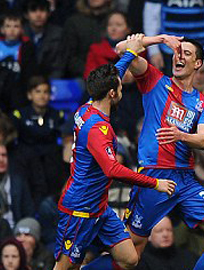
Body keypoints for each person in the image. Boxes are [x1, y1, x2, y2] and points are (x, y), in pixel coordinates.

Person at [114, 34, 204, 270]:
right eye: (177, 52)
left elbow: (203, 140)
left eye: (186, 54)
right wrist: (159, 39)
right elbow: (122, 48)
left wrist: (180, 135)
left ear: (198, 64)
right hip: (154, 177)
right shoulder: (155, 80)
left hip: (185, 180)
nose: (179, 56)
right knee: (131, 253)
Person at [53, 44, 177, 270]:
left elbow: (114, 74)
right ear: (113, 93)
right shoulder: (96, 129)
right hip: (80, 209)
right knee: (63, 268)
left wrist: (131, 53)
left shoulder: (88, 106)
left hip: (100, 208)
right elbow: (113, 170)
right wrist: (155, 183)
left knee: (129, 259)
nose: (122, 85)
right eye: (119, 86)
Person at [143, 0, 204, 74]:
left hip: (201, 50)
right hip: (168, 51)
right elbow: (151, 17)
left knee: (200, 88)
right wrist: (154, 50)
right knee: (171, 88)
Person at [11, 76, 63, 155]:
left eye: (45, 92)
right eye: (38, 91)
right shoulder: (19, 115)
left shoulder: (57, 115)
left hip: (51, 158)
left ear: (50, 95)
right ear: (29, 95)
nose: (42, 96)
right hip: (25, 158)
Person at [0, 12, 37, 88]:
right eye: (8, 26)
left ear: (22, 30)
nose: (12, 30)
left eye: (16, 26)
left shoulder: (27, 47)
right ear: (2, 29)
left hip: (18, 86)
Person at [22, 0, 63, 79]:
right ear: (26, 15)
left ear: (49, 14)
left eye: (42, 10)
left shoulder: (58, 34)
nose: (38, 15)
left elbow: (58, 67)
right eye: (33, 10)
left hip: (50, 82)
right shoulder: (19, 33)